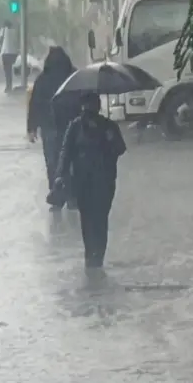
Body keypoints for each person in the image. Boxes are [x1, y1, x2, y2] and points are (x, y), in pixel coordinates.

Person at [53, 93, 127, 268]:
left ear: (98, 107)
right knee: (87, 220)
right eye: (86, 108)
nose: (89, 111)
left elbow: (120, 149)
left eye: (92, 106)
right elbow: (66, 153)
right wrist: (60, 175)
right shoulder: (75, 127)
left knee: (100, 219)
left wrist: (111, 138)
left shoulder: (109, 126)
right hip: (83, 181)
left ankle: (98, 256)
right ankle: (90, 257)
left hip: (104, 181)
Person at [27, 46, 76, 209]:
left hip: (49, 127)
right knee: (70, 162)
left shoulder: (42, 79)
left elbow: (34, 104)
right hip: (70, 125)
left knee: (52, 163)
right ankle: (71, 196)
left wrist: (31, 128)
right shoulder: (73, 76)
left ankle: (56, 195)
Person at [0, 20, 19, 93]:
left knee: (7, 71)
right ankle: (10, 85)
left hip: (5, 52)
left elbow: (0, 41)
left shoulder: (3, 30)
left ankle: (8, 86)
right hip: (13, 53)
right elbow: (17, 41)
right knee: (10, 69)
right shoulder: (14, 31)